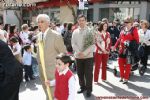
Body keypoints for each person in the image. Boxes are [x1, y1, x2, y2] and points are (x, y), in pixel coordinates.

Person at [36, 14, 66, 99]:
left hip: (53, 71)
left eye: (42, 22)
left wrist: (61, 71)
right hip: (42, 70)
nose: (39, 24)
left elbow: (63, 53)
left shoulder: (56, 35)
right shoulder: (38, 35)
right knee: (47, 92)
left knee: (54, 94)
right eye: (38, 22)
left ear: (48, 23)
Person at [71, 14, 94, 97]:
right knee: (80, 73)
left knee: (88, 74)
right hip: (78, 56)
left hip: (88, 56)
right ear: (78, 21)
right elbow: (73, 43)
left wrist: (84, 53)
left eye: (83, 20)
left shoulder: (90, 31)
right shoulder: (75, 32)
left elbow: (92, 45)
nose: (81, 22)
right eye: (80, 20)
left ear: (86, 21)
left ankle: (89, 89)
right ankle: (82, 87)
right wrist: (79, 52)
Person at [112, 16, 139, 84]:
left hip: (129, 50)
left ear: (131, 23)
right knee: (120, 63)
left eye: (127, 22)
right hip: (121, 49)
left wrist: (129, 42)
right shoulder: (123, 29)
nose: (125, 23)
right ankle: (121, 77)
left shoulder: (134, 30)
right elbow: (119, 39)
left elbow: (137, 41)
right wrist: (115, 46)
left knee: (128, 65)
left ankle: (126, 78)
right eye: (125, 22)